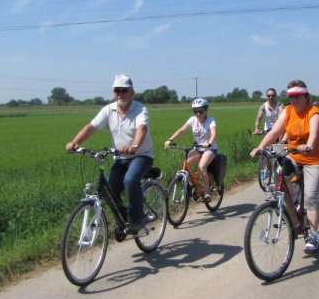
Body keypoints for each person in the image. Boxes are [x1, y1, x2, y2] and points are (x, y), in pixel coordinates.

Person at [65, 74, 154, 234]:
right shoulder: (108, 110)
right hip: (120, 157)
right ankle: (124, 219)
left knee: (130, 180)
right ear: (113, 92)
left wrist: (134, 146)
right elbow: (92, 127)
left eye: (124, 90)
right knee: (110, 191)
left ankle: (138, 219)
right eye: (117, 90)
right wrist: (75, 142)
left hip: (141, 155)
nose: (120, 94)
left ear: (132, 92)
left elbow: (142, 129)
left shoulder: (140, 109)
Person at [250, 79, 319, 254]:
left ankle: (313, 235)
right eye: (291, 97)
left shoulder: (314, 112)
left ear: (306, 96)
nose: (294, 100)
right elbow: (275, 132)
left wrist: (309, 145)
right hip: (294, 155)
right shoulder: (288, 111)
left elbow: (314, 133)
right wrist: (260, 147)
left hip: (313, 158)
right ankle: (294, 211)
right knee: (281, 180)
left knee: (311, 195)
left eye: (298, 96)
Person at [164, 98, 218, 202]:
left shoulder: (211, 121)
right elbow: (181, 130)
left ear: (205, 110)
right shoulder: (192, 120)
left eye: (201, 111)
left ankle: (206, 193)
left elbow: (214, 133)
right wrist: (170, 140)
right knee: (185, 164)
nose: (198, 114)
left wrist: (209, 143)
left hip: (210, 148)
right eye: (195, 111)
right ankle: (193, 186)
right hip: (198, 148)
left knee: (202, 167)